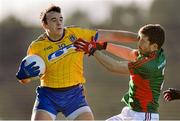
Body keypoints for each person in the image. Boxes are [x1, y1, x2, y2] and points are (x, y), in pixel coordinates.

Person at [16, 5, 138, 120]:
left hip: (74, 96)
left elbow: (114, 35)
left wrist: (140, 38)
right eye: (53, 20)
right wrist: (23, 76)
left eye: (60, 19)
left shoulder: (77, 34)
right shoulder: (36, 47)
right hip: (48, 96)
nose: (59, 22)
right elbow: (25, 79)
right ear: (45, 24)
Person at [74, 24, 166, 121]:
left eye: (143, 40)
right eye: (139, 39)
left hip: (143, 116)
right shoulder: (156, 53)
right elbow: (130, 54)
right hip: (130, 112)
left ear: (154, 46)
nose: (139, 43)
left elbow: (114, 66)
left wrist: (93, 50)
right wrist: (103, 45)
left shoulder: (147, 65)